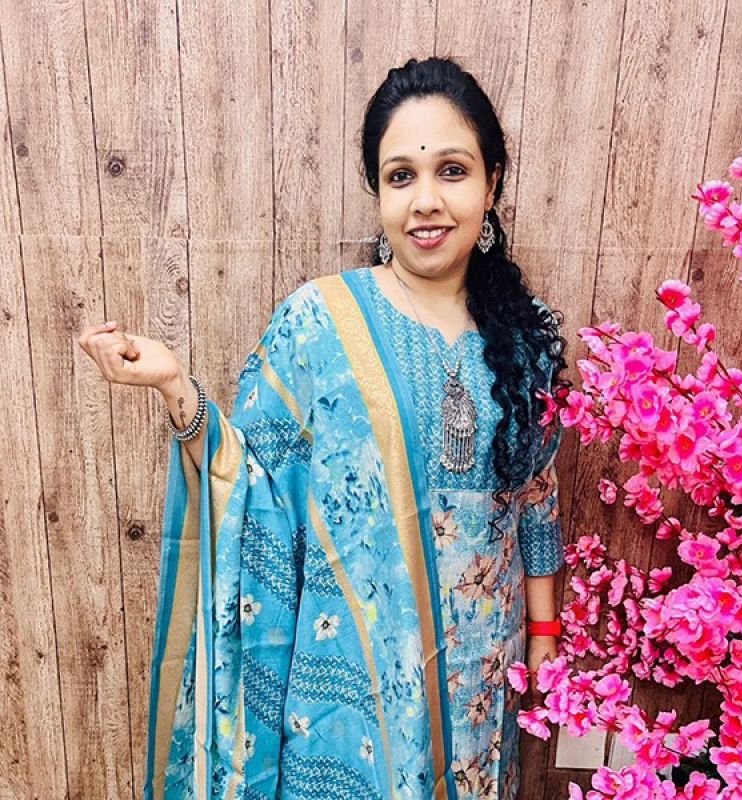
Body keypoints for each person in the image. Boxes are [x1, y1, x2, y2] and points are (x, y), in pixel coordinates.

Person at [79, 56, 569, 800]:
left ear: (492, 183)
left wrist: (544, 635)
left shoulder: (525, 341)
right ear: (378, 193)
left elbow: (537, 497)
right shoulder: (320, 323)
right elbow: (254, 481)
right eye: (401, 176)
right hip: (354, 693)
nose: (427, 201)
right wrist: (177, 388)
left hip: (482, 682)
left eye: (453, 171)